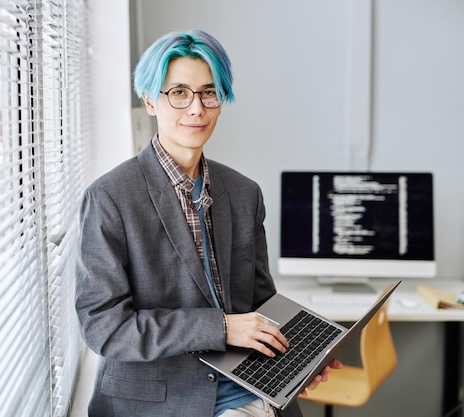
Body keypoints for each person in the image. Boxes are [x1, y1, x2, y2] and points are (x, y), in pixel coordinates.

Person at [75, 29, 342, 417]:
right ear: (150, 100)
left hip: (254, 389)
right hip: (165, 401)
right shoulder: (109, 198)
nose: (197, 108)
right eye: (179, 92)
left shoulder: (243, 192)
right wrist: (220, 328)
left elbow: (261, 304)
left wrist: (298, 356)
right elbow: (105, 328)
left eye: (208, 92)